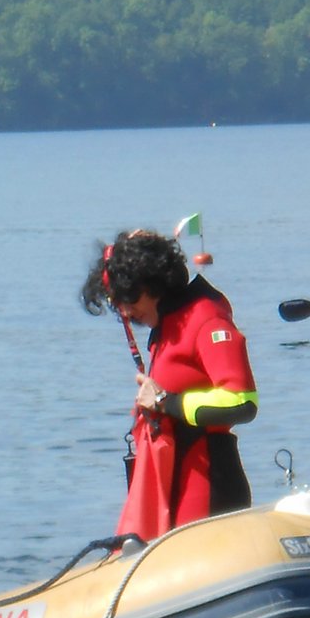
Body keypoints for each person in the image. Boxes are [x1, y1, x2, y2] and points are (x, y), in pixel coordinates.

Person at [81, 229, 258, 541]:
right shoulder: (169, 326)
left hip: (209, 485)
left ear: (153, 284)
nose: (126, 310)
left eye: (130, 298)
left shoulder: (205, 318)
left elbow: (241, 402)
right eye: (117, 302)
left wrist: (166, 402)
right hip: (177, 486)